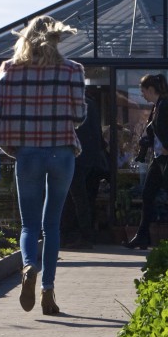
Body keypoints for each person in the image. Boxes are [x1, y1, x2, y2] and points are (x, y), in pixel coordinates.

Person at [0, 15, 85, 315]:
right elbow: (79, 115)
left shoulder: (9, 69)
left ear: (25, 38)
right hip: (61, 153)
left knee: (29, 225)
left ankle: (30, 266)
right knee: (52, 224)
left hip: (28, 153)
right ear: (56, 39)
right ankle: (48, 291)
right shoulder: (73, 70)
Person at [124, 73, 168, 249]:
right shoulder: (157, 107)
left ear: (151, 90)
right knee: (148, 195)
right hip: (159, 159)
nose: (142, 94)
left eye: (143, 91)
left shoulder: (167, 106)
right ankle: (142, 236)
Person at [62, 91, 107, 249]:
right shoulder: (91, 103)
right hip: (90, 158)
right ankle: (77, 234)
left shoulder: (70, 105)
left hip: (76, 157)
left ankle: (83, 235)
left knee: (77, 197)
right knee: (82, 197)